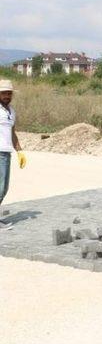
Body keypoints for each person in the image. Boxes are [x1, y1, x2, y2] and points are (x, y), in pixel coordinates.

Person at [0, 79, 27, 231]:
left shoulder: (11, 111)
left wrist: (20, 151)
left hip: (6, 152)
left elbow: (12, 133)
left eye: (9, 93)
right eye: (4, 93)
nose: (7, 96)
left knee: (3, 188)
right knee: (0, 188)